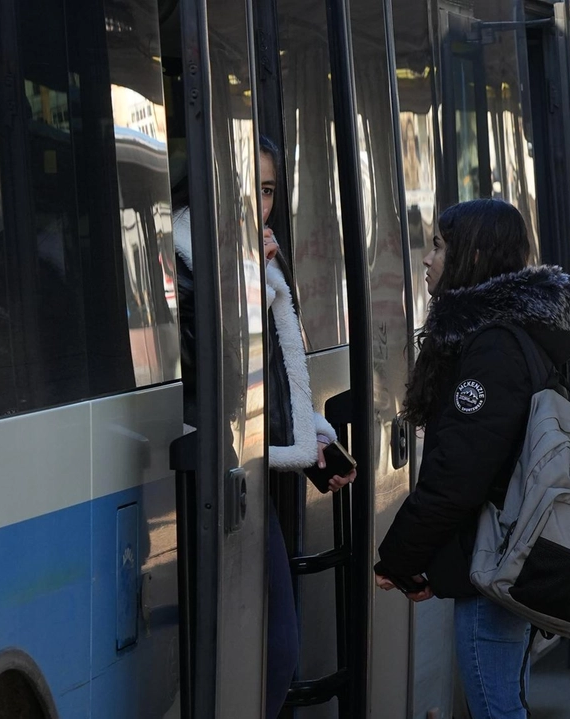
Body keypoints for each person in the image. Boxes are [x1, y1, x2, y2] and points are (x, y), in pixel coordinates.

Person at [373, 199, 570, 719]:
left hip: (497, 567)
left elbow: (458, 475)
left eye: (440, 246)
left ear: (475, 254)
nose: (427, 258)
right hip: (506, 557)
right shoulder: (511, 337)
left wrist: (400, 558)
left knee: (495, 707)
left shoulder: (494, 350)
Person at [173, 135, 355, 718]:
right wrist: (245, 284)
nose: (261, 203)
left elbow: (270, 375)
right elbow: (214, 374)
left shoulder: (255, 260)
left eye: (270, 190)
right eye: (250, 188)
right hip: (205, 477)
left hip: (245, 473)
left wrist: (312, 435)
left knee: (277, 647)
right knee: (262, 649)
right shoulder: (182, 252)